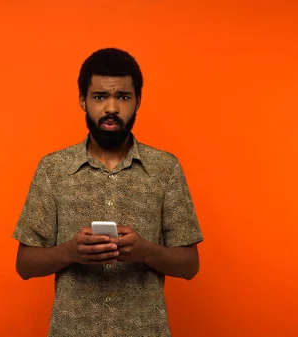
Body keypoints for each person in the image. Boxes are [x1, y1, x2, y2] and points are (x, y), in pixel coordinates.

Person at [12, 47, 203, 337]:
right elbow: (24, 265)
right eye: (100, 96)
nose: (111, 108)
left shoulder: (165, 168)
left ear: (137, 101)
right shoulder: (53, 169)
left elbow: (190, 265)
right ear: (82, 100)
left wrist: (145, 250)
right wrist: (70, 252)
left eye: (122, 97)